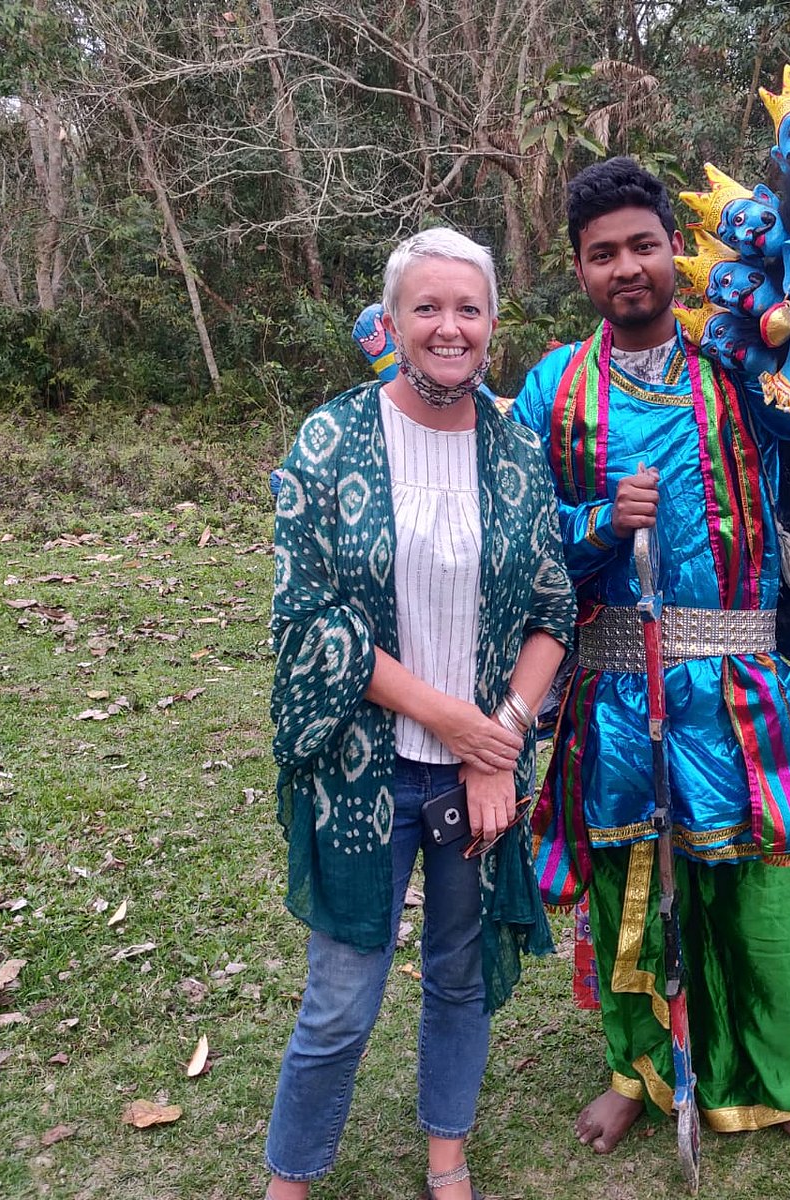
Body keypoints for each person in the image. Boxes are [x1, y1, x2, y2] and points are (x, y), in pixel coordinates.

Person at [510, 158, 790, 1187]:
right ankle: (637, 1071)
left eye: (643, 245)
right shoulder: (553, 389)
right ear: (578, 270)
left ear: (676, 252)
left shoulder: (744, 371)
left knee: (758, 889)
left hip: (736, 680)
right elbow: (522, 542)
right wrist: (594, 523)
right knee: (623, 879)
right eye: (602, 253)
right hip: (614, 684)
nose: (627, 268)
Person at [265, 227, 576, 1200]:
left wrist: (501, 741)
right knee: (342, 997)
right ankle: (292, 1176)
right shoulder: (331, 439)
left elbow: (553, 612)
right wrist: (457, 725)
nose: (450, 327)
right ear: (392, 320)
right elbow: (310, 620)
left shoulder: (518, 453)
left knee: (460, 974)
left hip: (481, 770)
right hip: (367, 767)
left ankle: (448, 1157)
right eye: (428, 308)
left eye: (469, 309)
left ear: (492, 325)